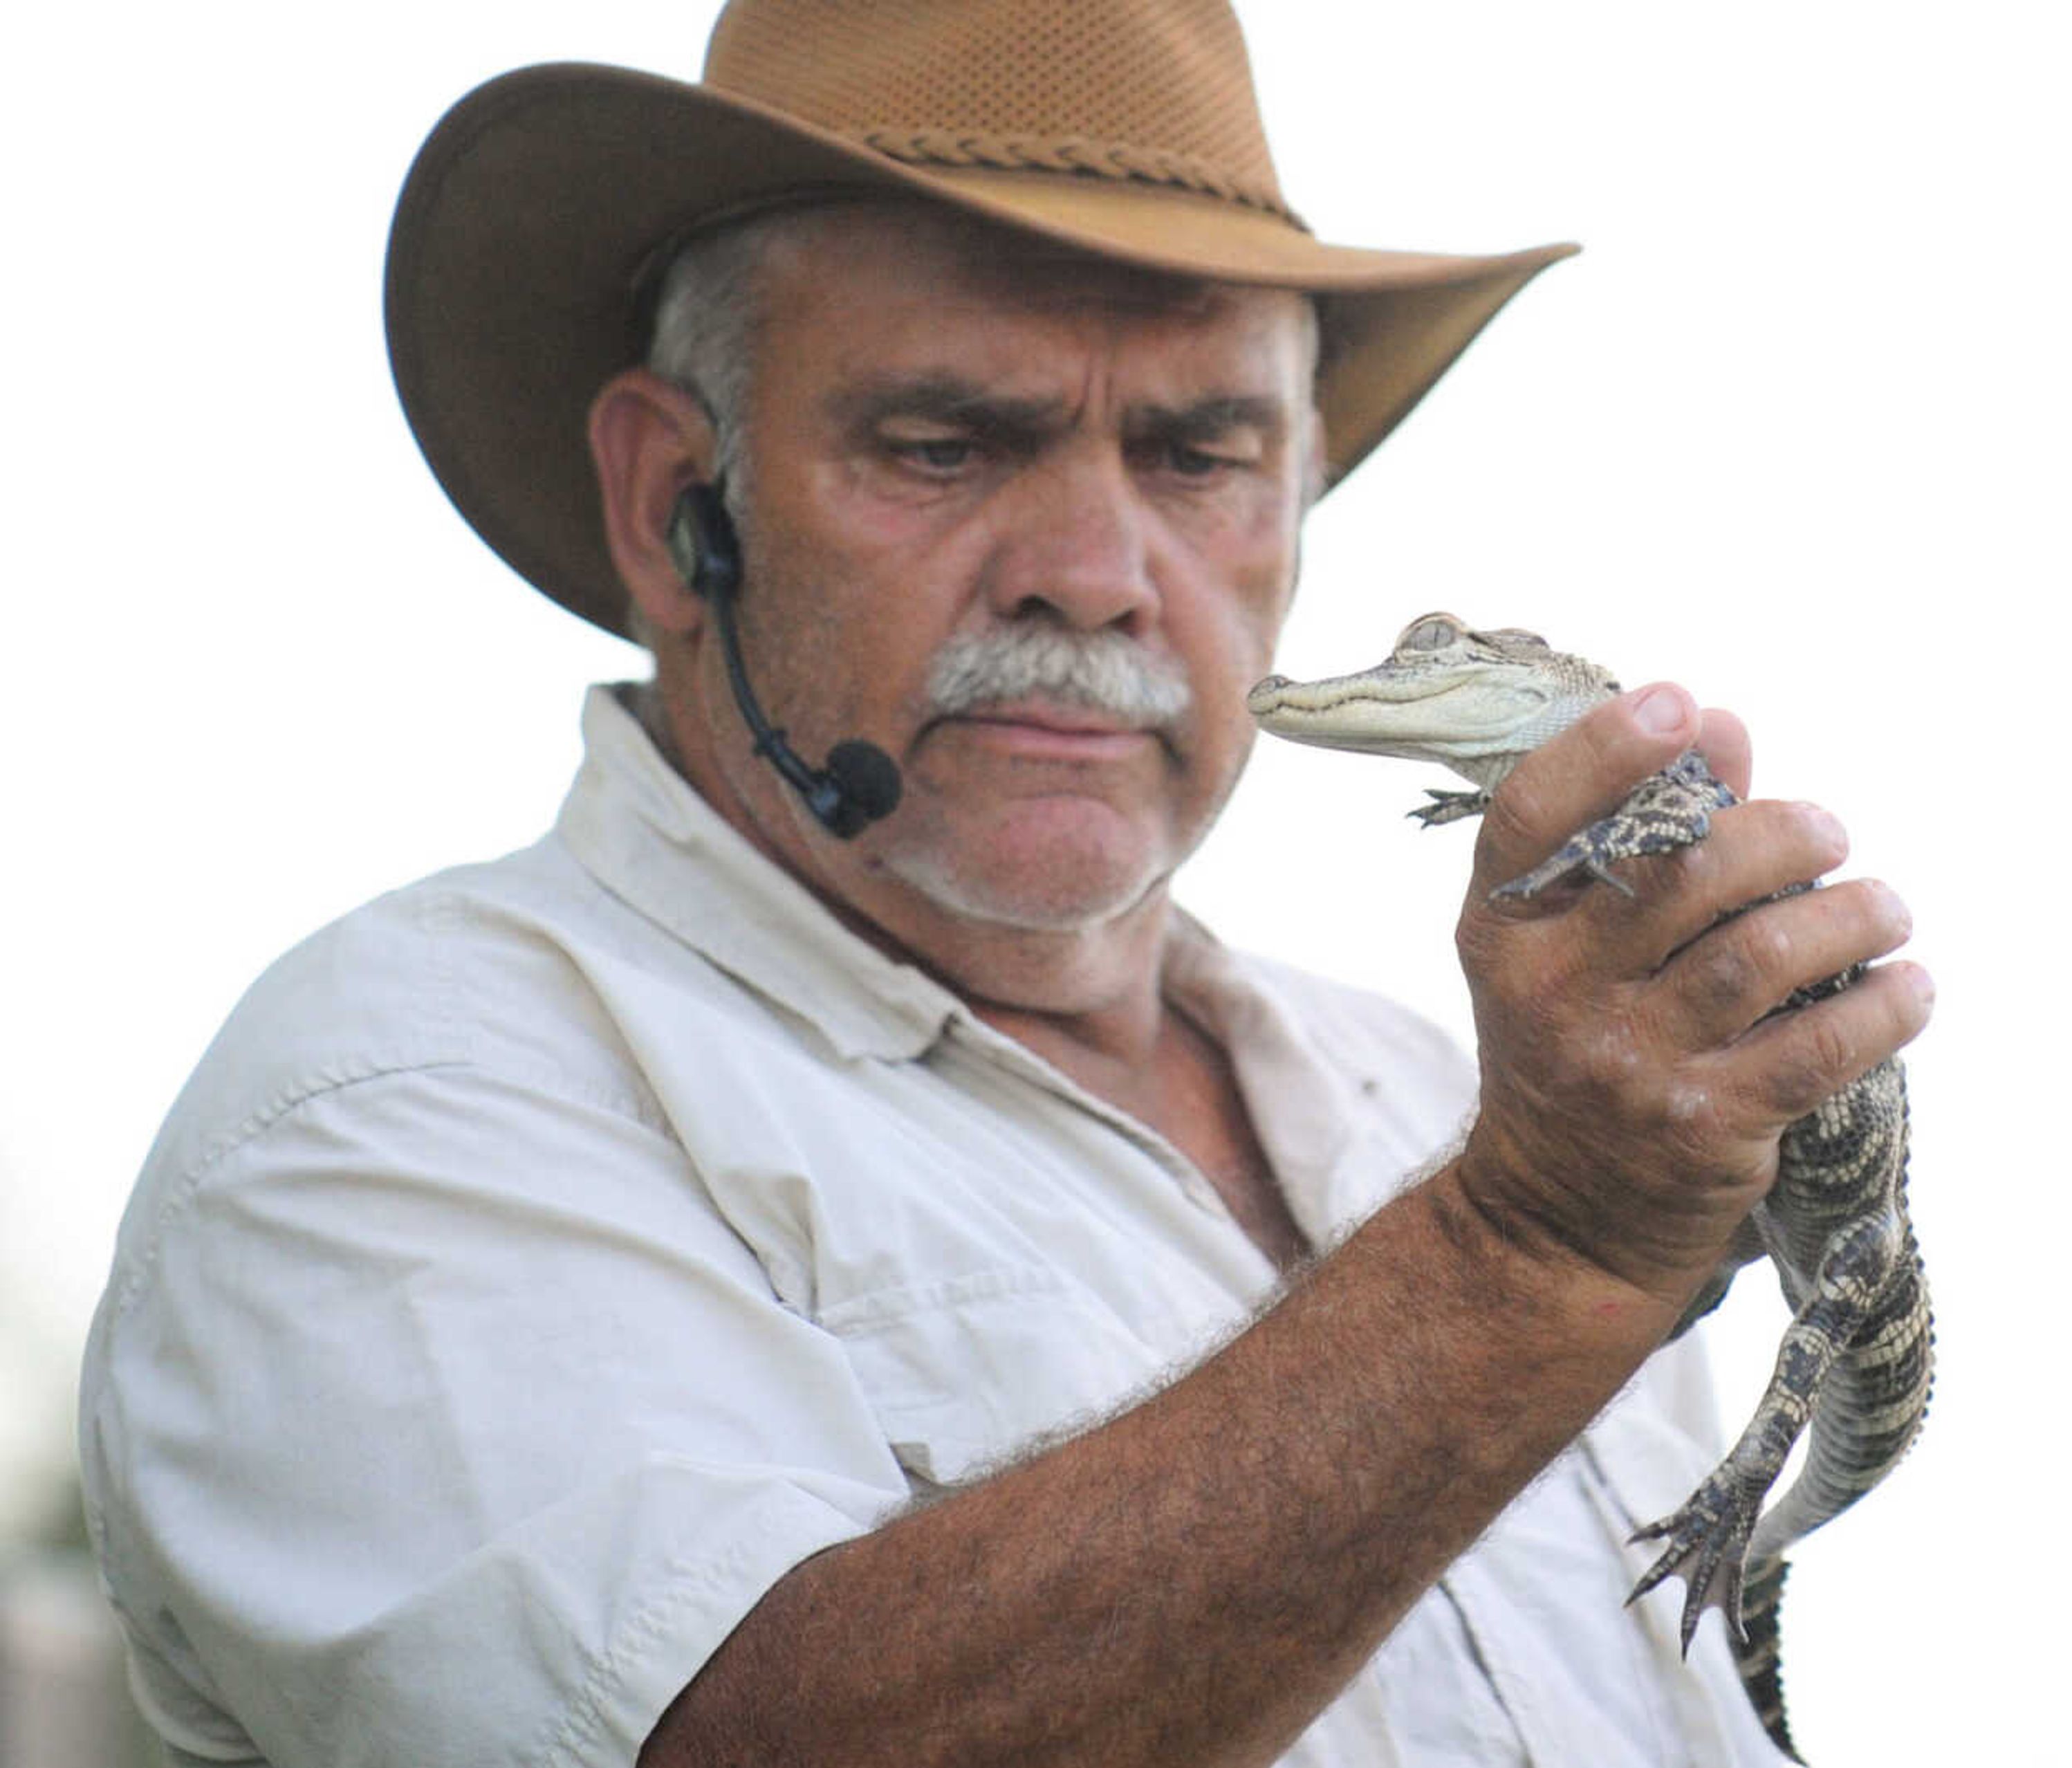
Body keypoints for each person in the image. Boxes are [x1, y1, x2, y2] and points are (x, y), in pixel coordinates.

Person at [79, 2, 1932, 1763]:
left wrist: (1547, 1216)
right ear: (669, 503)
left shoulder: (1459, 1095)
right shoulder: (389, 1096)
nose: (1096, 569)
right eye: (947, 441)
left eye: (1201, 453)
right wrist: (1530, 1255)